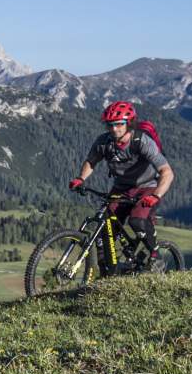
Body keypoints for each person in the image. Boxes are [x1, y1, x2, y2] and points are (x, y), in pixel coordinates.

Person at [72, 101, 175, 266]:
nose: (114, 129)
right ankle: (108, 274)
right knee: (105, 231)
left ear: (129, 123)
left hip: (148, 187)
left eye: (119, 124)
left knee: (137, 221)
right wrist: (81, 178)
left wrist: (156, 195)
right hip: (121, 189)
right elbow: (91, 162)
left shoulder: (141, 141)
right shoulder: (104, 142)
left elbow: (167, 172)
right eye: (110, 125)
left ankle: (155, 255)